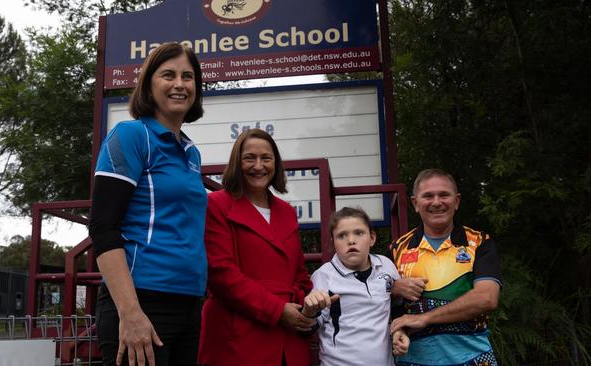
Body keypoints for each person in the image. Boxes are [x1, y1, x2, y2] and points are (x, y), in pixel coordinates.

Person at [89, 43, 207, 366]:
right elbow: (103, 228)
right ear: (148, 84)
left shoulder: (191, 152)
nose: (180, 84)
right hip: (142, 303)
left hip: (189, 304)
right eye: (168, 75)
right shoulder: (130, 136)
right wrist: (130, 312)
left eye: (188, 76)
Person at [198, 128, 315, 366]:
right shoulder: (216, 205)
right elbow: (222, 275)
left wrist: (304, 309)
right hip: (239, 336)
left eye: (266, 158)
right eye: (249, 158)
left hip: (289, 337)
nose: (258, 166)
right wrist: (277, 311)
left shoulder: (287, 212)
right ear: (236, 162)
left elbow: (299, 273)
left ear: (276, 163)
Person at [389, 168, 502, 365]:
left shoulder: (480, 242)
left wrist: (424, 318)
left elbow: (487, 298)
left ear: (456, 201)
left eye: (444, 195)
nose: (436, 202)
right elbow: (376, 300)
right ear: (415, 203)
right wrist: (393, 289)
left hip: (474, 359)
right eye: (428, 196)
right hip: (414, 360)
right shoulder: (397, 249)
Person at [301, 206, 410, 366]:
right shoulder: (323, 276)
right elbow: (308, 328)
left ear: (372, 238)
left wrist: (401, 331)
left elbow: (396, 307)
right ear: (333, 242)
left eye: (358, 233)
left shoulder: (386, 266)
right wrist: (309, 312)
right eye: (342, 235)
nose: (351, 240)